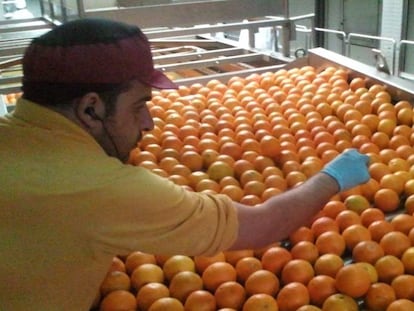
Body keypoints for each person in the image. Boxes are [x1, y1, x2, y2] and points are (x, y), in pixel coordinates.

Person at [0, 18, 370, 310]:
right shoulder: (100, 188)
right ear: (91, 108)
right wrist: (333, 176)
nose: (148, 123)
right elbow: (263, 225)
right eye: (139, 105)